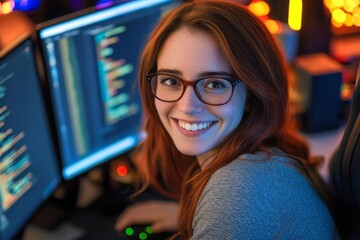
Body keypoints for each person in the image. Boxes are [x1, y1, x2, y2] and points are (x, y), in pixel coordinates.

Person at [115, 0, 340, 239]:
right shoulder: (260, 168)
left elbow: (242, 203)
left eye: (215, 84)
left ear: (253, 96)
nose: (187, 106)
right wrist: (196, 213)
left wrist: (221, 213)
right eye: (170, 81)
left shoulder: (240, 189)